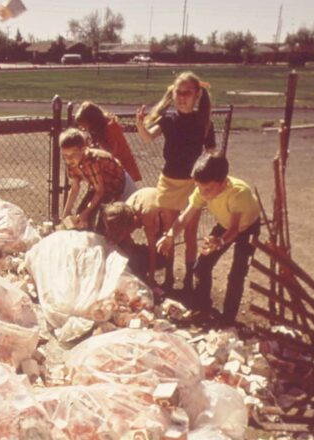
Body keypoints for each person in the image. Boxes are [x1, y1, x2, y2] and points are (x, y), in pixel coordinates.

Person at [156, 152, 260, 326]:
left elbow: (235, 229)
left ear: (223, 182)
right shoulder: (202, 190)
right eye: (200, 188)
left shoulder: (239, 193)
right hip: (225, 223)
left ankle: (227, 318)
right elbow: (185, 217)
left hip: (247, 227)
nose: (203, 194)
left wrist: (219, 242)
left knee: (236, 275)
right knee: (201, 267)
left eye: (208, 189)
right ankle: (203, 307)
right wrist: (170, 235)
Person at [136, 71, 216, 296]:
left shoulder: (203, 121)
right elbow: (148, 137)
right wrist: (141, 125)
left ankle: (189, 278)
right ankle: (169, 277)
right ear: (173, 93)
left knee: (190, 235)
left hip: (193, 185)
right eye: (178, 93)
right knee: (169, 233)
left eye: (187, 93)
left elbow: (211, 151)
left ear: (197, 94)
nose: (182, 97)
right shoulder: (168, 119)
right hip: (169, 182)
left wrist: (210, 173)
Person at [59, 127, 136, 233]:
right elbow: (75, 189)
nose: (68, 159)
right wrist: (65, 213)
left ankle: (107, 243)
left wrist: (85, 214)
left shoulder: (92, 161)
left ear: (83, 149)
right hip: (100, 185)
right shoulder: (71, 163)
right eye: (65, 155)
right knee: (80, 214)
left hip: (119, 185)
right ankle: (87, 239)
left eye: (72, 154)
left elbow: (100, 192)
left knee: (105, 220)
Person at [99, 188, 164, 291]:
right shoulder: (123, 209)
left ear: (130, 226)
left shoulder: (147, 216)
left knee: (162, 253)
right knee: (126, 249)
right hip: (144, 201)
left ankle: (169, 277)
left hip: (163, 209)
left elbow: (152, 250)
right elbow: (123, 239)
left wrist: (151, 279)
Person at [74, 101, 141, 184]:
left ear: (92, 121)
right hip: (111, 169)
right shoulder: (97, 131)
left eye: (85, 125)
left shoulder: (111, 127)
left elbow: (113, 152)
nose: (83, 128)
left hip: (123, 167)